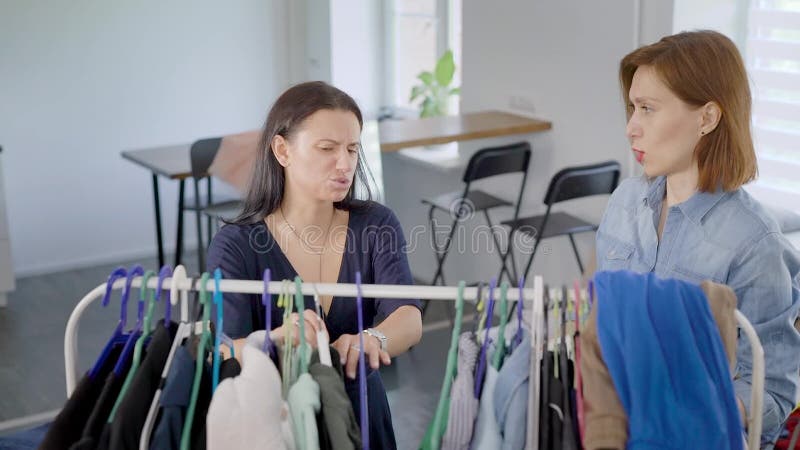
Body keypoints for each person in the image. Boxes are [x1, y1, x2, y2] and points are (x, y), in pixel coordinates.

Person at [595, 30, 800, 447]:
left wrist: (687, 412)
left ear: (707, 117)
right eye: (632, 108)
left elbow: (773, 395)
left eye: (648, 109)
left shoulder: (754, 241)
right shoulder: (624, 202)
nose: (631, 128)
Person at [206, 81, 423, 448]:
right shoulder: (237, 246)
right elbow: (224, 349)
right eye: (327, 149)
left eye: (353, 149)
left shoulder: (376, 225)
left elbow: (408, 317)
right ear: (282, 150)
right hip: (278, 423)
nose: (345, 164)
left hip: (363, 417)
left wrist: (375, 337)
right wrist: (272, 341)